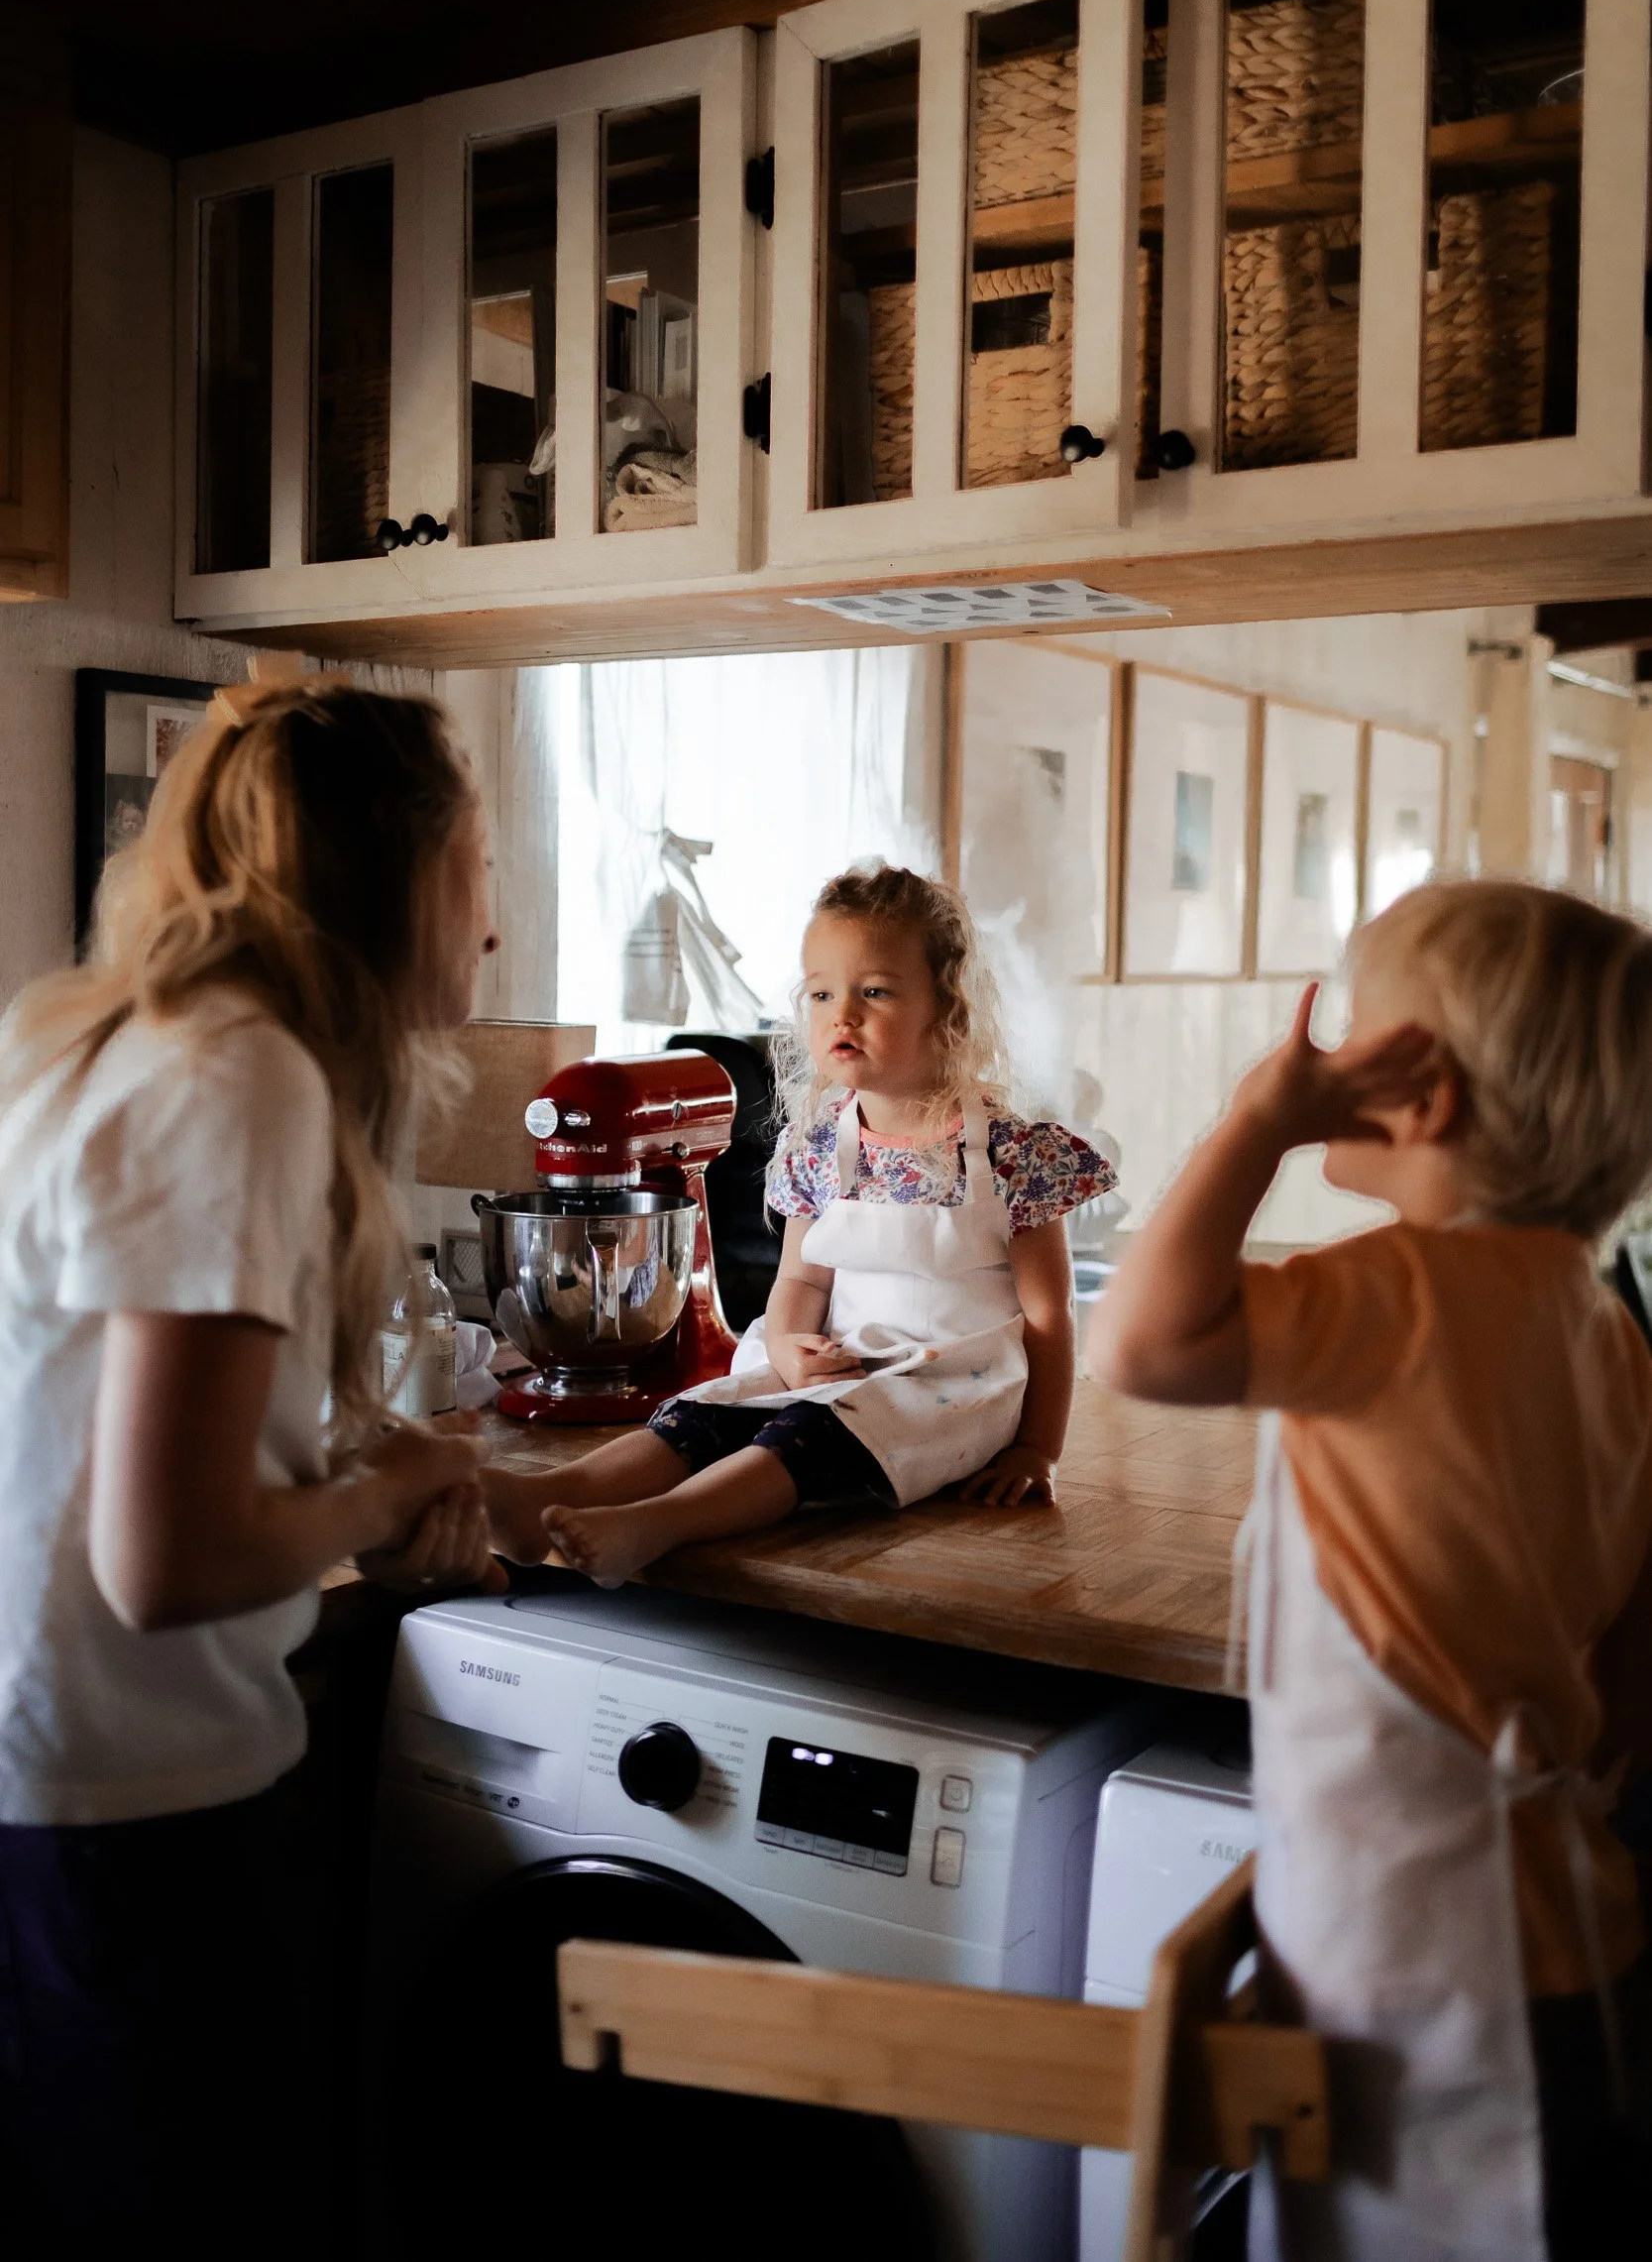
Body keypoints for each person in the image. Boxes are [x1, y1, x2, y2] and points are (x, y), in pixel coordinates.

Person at [0, 675, 504, 2256]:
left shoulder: (104, 1039)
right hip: (125, 1807)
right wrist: (370, 1506)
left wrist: (396, 1471)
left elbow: (117, 1425)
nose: (489, 928)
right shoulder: (244, 1079)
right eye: (476, 877)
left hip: (47, 1771)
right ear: (394, 877)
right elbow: (167, 1561)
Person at [1089, 879, 1652, 2261]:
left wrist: (1255, 1126)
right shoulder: (1602, 1323)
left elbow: (1142, 1344)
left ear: (1424, 1100)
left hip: (1412, 1966)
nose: (1319, 1055)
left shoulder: (1393, 1294)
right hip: (1567, 1928)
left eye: (1350, 1035)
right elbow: (1629, 1654)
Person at [485, 864, 1115, 1585]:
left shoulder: (1014, 1155)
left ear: (947, 1008)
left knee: (807, 1432)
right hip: (846, 1363)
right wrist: (787, 1347)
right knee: (703, 1409)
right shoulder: (817, 1147)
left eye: (873, 991)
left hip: (956, 1388)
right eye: (821, 993)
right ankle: (543, 1500)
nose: (841, 1014)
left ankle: (655, 1524)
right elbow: (800, 1278)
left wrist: (1037, 1450)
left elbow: (1050, 1319)